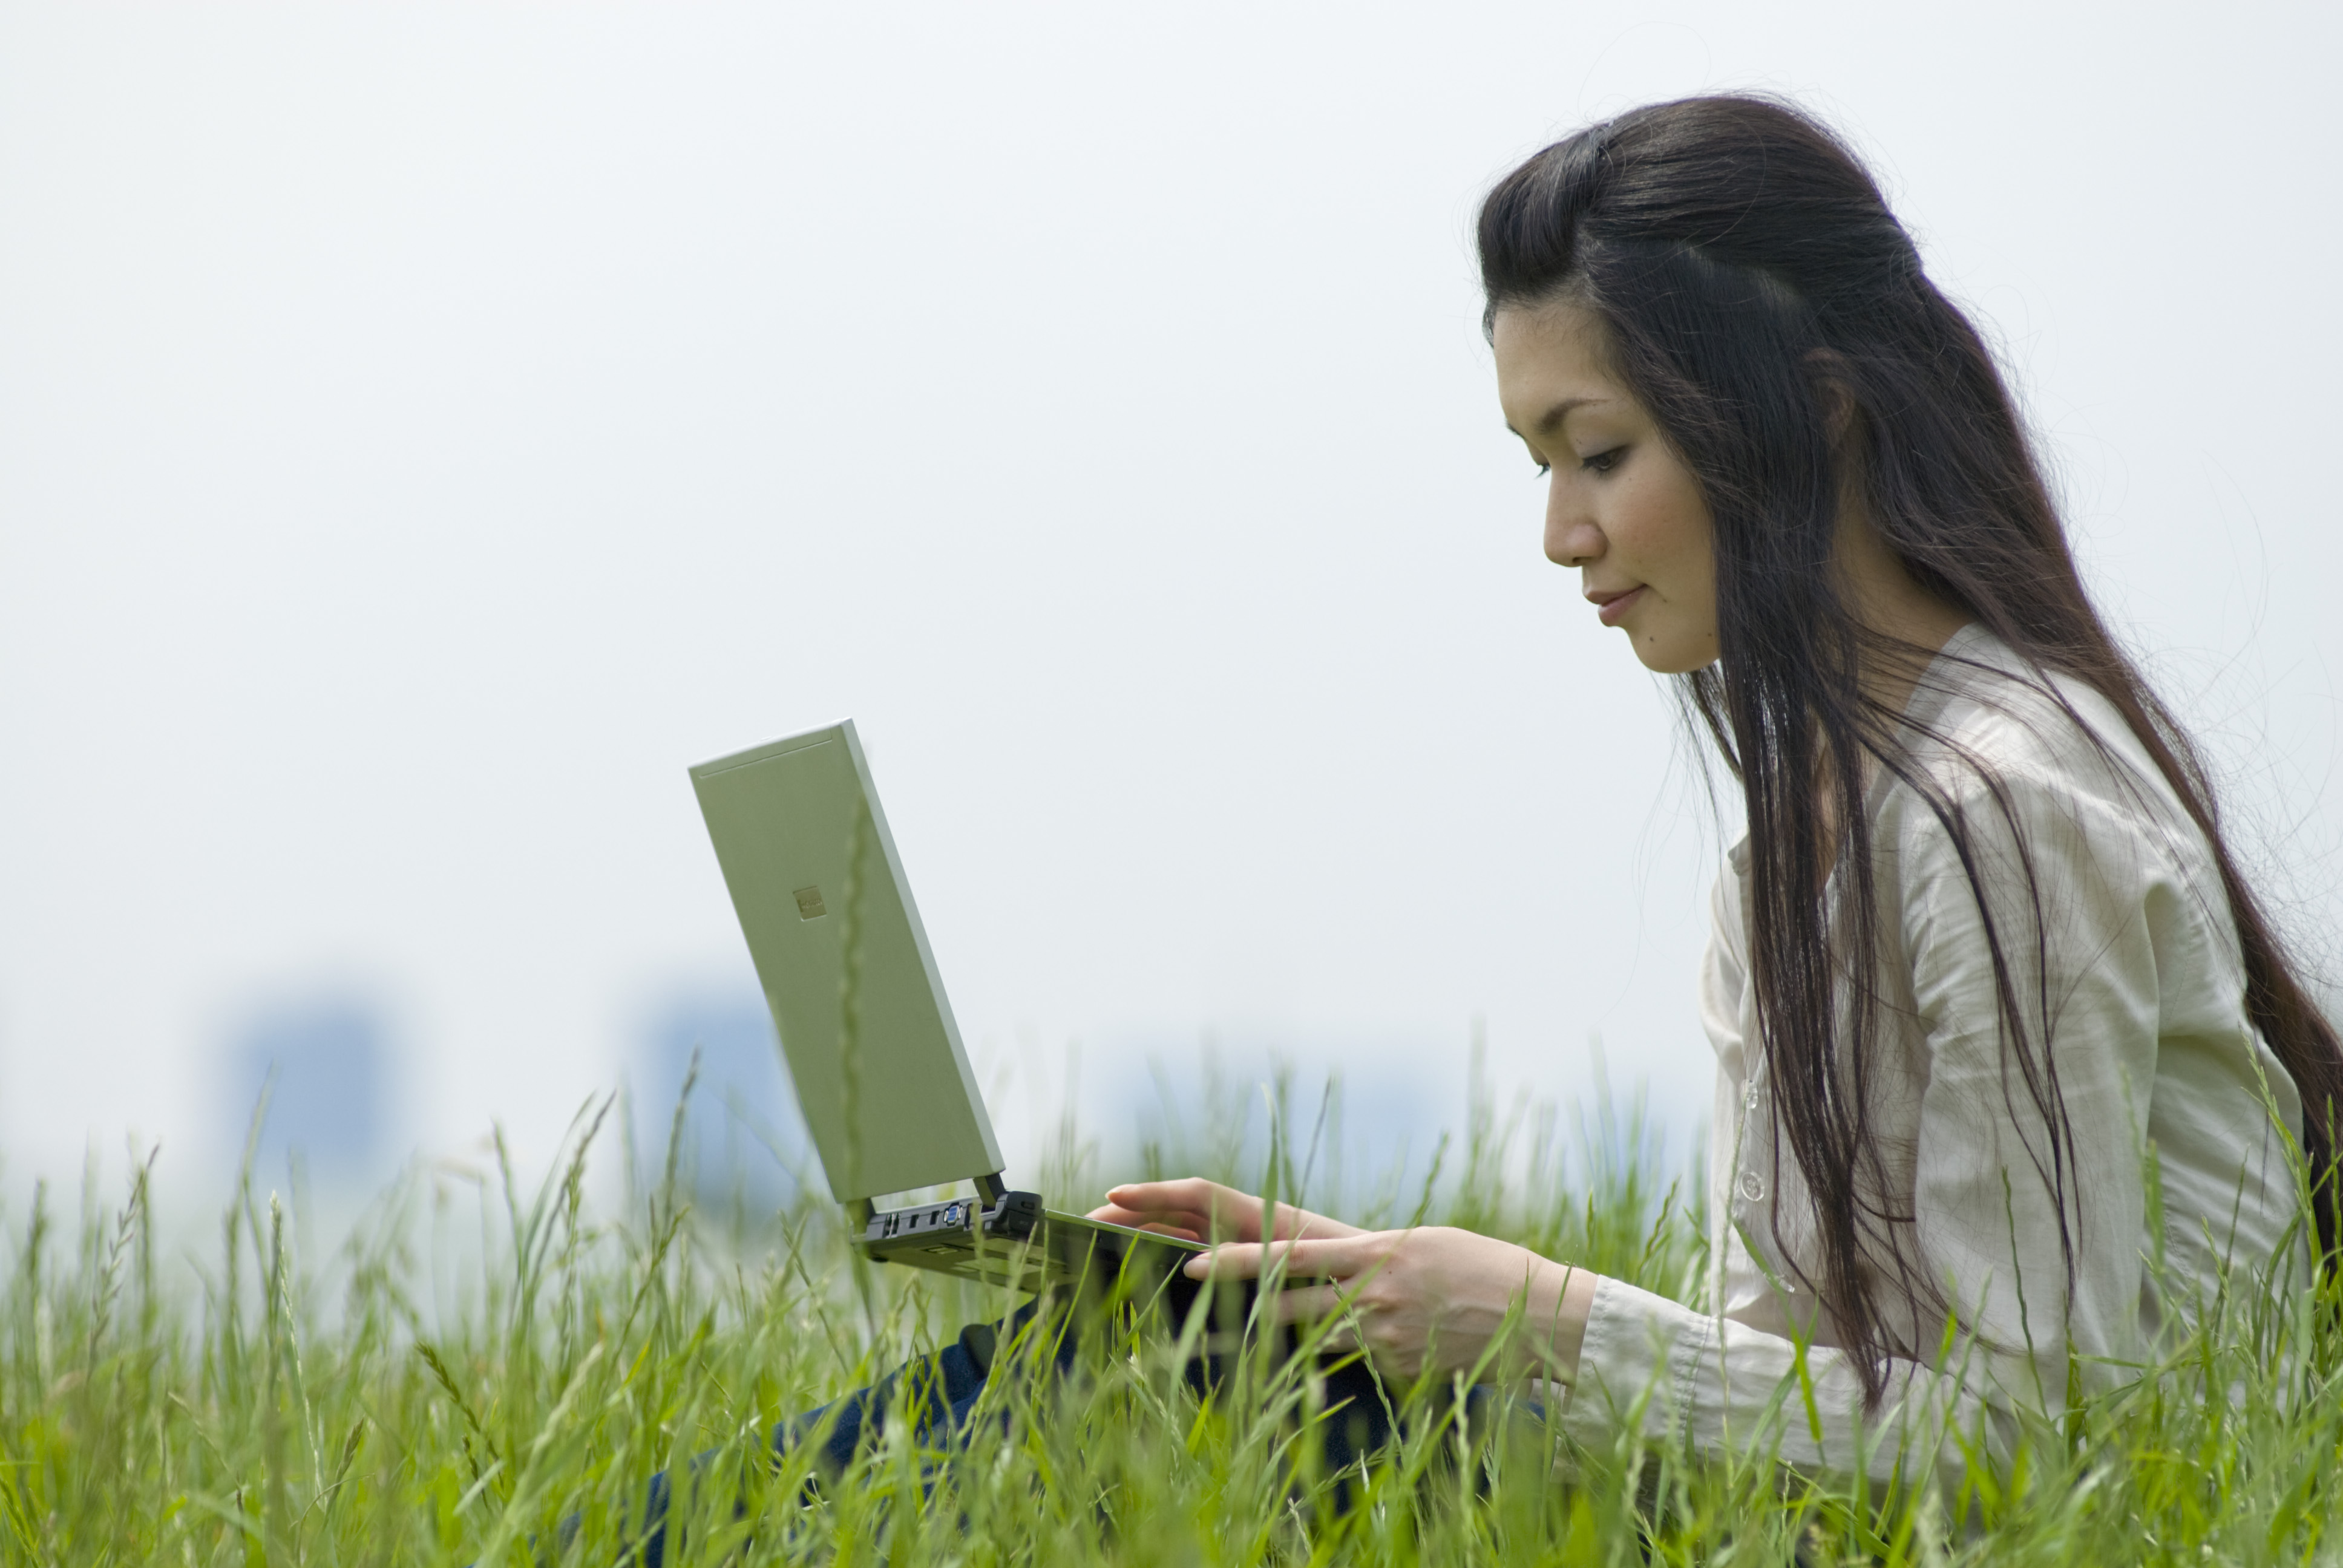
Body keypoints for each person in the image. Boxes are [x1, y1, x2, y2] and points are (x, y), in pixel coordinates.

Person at [650, 96, 2339, 1543]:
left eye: (1595, 450)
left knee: (1119, 1380)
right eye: (1537, 459)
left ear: (1810, 414)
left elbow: (2030, 1458)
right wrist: (1394, 1297)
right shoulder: (1805, 839)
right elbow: (1797, 1408)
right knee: (1159, 1354)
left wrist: (1540, 1322)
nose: (1559, 531)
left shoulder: (2001, 816)